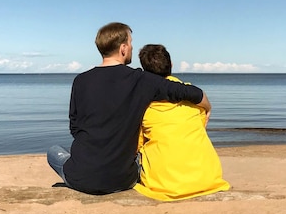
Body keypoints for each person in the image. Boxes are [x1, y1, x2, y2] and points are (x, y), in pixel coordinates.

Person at [47, 22, 212, 195]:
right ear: (123, 48)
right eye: (131, 43)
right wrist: (208, 107)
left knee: (53, 151)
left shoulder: (80, 81)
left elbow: (75, 128)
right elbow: (191, 92)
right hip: (123, 179)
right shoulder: (141, 80)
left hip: (81, 178)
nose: (132, 47)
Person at [134, 44, 230, 201]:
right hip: (207, 179)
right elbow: (201, 125)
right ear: (171, 65)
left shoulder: (145, 106)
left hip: (165, 185)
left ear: (145, 72)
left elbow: (137, 144)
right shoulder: (195, 100)